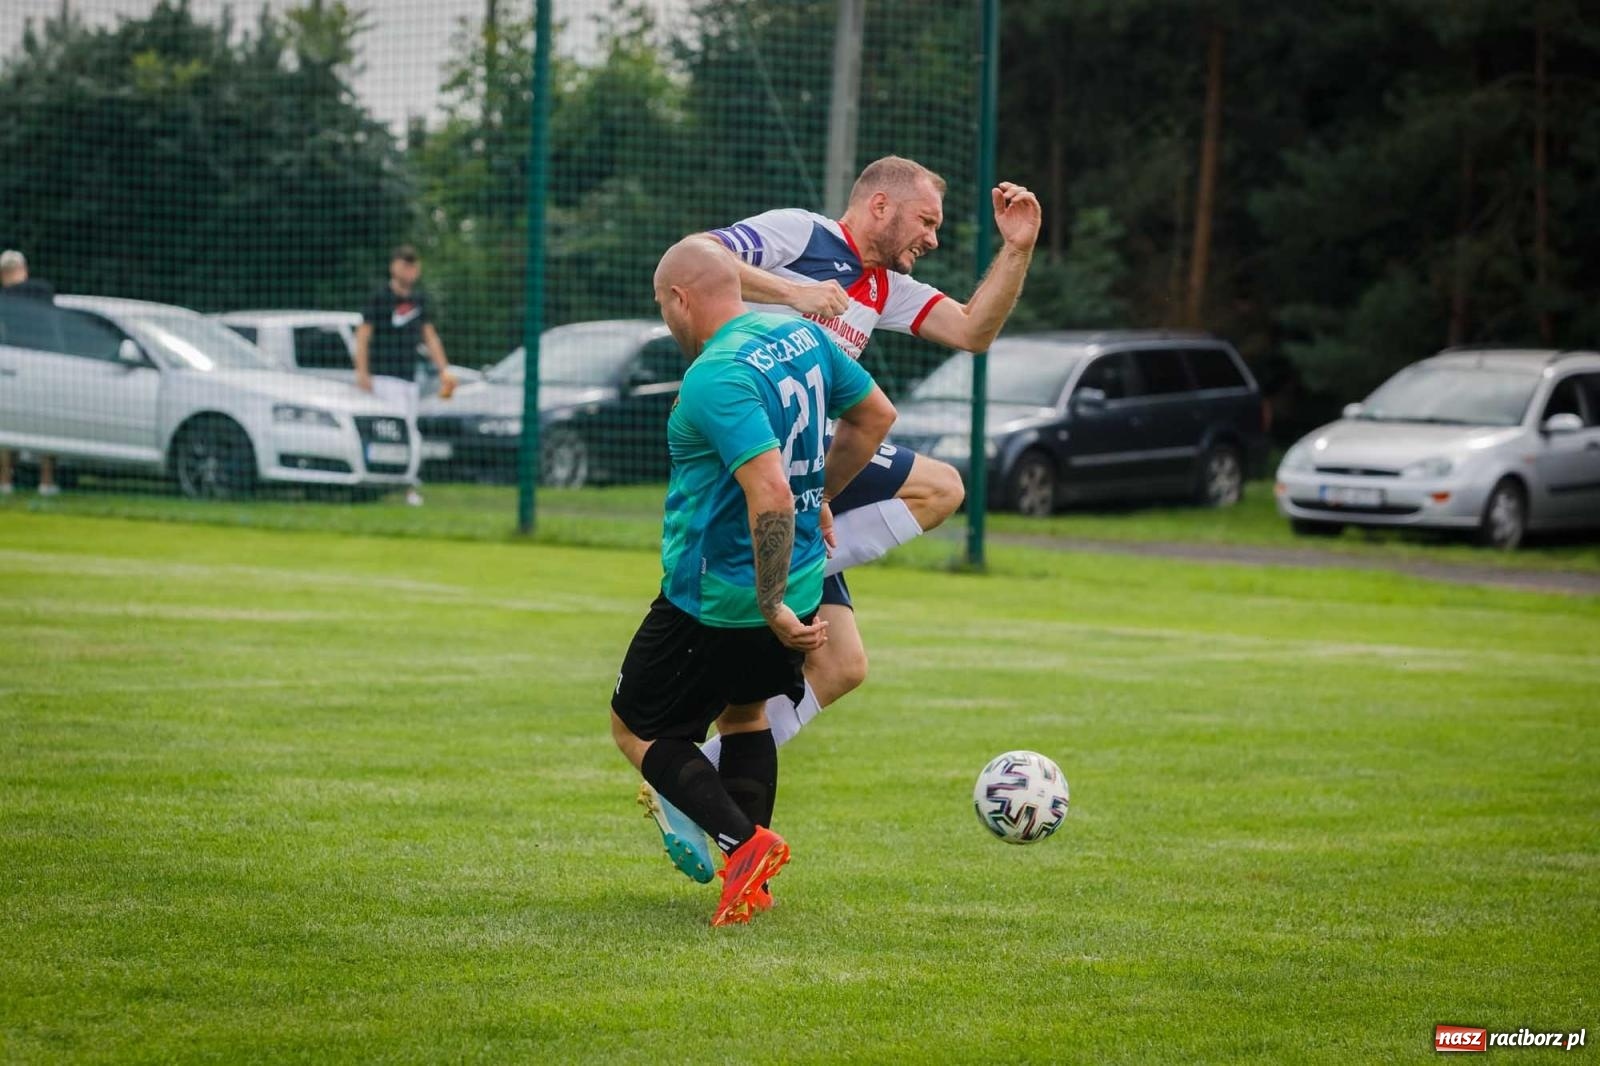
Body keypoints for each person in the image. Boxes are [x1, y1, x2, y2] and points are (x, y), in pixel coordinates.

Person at [640, 157, 1041, 879]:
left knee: (845, 664)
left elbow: (975, 329)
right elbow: (699, 258)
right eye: (927, 222)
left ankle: (697, 782)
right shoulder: (802, 233)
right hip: (754, 456)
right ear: (880, 206)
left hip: (803, 474)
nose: (933, 239)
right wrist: (795, 289)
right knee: (939, 487)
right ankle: (703, 764)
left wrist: (1017, 249)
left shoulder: (887, 287)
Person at [612, 238, 895, 926]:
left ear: (680, 298)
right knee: (744, 715)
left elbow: (767, 492)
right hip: (797, 580)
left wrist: (766, 601)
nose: (666, 318)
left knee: (636, 728)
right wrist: (820, 493)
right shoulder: (800, 333)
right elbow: (876, 416)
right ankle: (752, 886)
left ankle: (742, 845)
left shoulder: (714, 376)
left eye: (662, 306)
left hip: (719, 595)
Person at [353, 245, 457, 506]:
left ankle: (406, 483)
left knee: (409, 431)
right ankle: (397, 484)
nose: (408, 270)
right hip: (384, 377)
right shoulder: (380, 297)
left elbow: (429, 336)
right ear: (393, 266)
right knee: (395, 432)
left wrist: (445, 369)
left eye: (413, 265)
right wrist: (363, 372)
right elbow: (363, 336)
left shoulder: (419, 301)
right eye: (403, 264)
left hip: (410, 378)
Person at [0, 250, 59, 497]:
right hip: (43, 366)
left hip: (14, 366)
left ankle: (5, 481)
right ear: (23, 269)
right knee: (46, 420)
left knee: (7, 421)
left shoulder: (7, 297)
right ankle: (46, 481)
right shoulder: (42, 292)